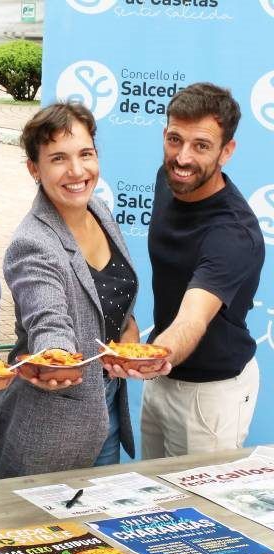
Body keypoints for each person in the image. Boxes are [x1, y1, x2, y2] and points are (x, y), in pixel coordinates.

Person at [0, 102, 139, 479]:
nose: (77, 171)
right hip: (51, 431)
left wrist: (127, 331)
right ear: (34, 169)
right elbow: (48, 320)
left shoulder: (100, 211)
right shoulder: (33, 244)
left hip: (106, 412)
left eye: (85, 154)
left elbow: (109, 299)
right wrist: (55, 355)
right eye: (58, 158)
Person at [132, 83, 262, 458]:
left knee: (194, 497)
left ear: (226, 151)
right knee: (150, 492)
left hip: (210, 396)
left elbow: (193, 318)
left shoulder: (233, 233)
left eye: (201, 146)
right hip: (162, 376)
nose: (183, 158)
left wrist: (150, 356)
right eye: (175, 139)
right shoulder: (169, 178)